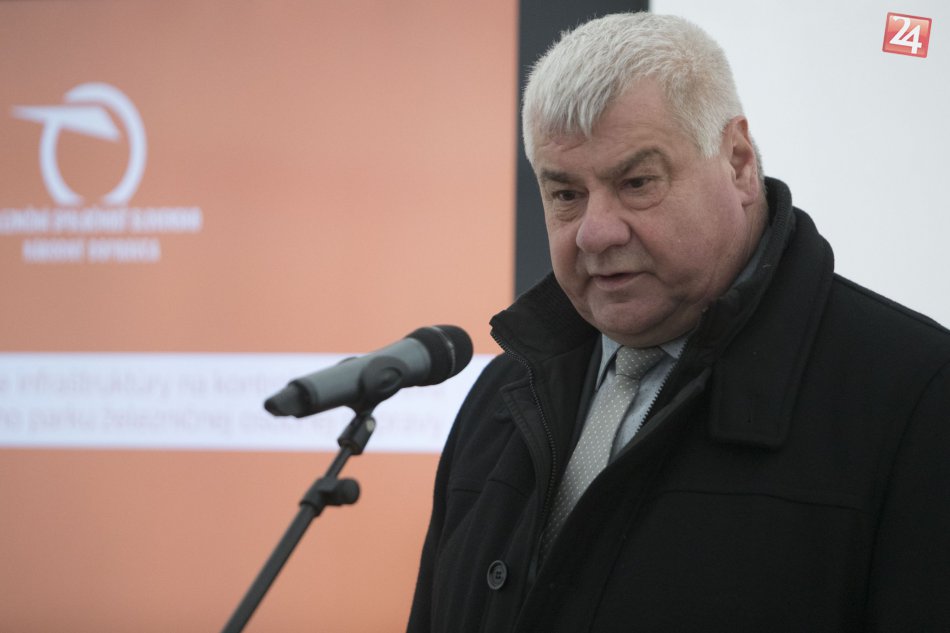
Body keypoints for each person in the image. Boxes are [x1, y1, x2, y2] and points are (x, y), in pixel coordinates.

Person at [407, 12, 950, 633]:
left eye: (637, 182)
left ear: (739, 163)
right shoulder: (500, 397)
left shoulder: (918, 395)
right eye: (565, 195)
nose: (595, 232)